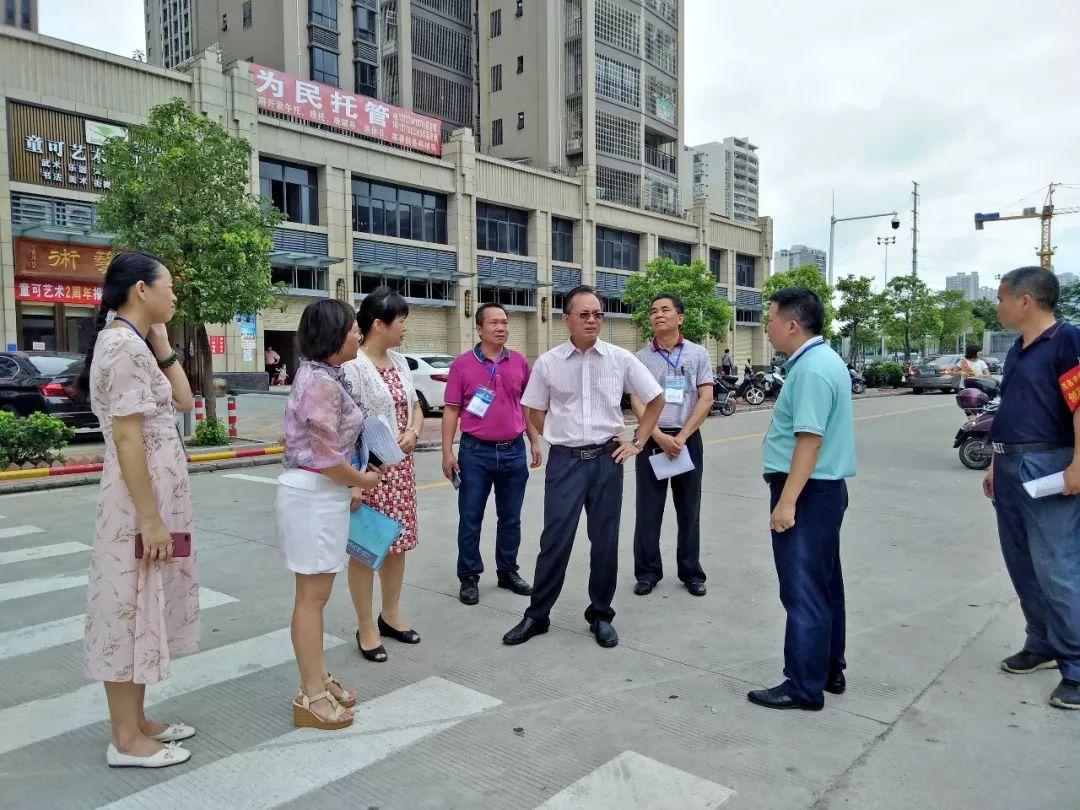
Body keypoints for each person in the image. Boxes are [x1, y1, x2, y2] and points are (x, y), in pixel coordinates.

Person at [80, 252, 198, 768]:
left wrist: (164, 343)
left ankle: (139, 720)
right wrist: (150, 519)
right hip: (139, 503)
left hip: (157, 499)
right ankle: (125, 739)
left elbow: (186, 402)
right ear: (140, 290)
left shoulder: (137, 343)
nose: (174, 296)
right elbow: (127, 436)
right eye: (167, 287)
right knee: (128, 605)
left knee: (146, 601)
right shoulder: (123, 347)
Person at [502, 285, 664, 649]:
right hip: (565, 464)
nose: (593, 320)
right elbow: (534, 410)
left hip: (608, 460)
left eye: (598, 314)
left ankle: (601, 614)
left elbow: (655, 399)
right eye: (584, 314)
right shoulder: (548, 362)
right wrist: (559, 437)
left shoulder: (620, 359)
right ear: (567, 320)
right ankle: (537, 615)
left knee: (605, 543)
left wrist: (637, 441)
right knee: (554, 541)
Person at [277, 299, 382, 731]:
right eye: (353, 328)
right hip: (313, 495)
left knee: (315, 596)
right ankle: (311, 695)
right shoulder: (319, 382)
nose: (359, 335)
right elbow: (325, 458)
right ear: (333, 335)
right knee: (311, 598)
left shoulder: (324, 375)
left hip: (322, 495)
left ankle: (318, 678)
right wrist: (362, 479)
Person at [749, 286, 855, 711]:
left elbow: (809, 441)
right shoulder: (824, 361)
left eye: (771, 319)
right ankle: (828, 667)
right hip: (823, 491)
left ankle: (803, 685)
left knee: (803, 589)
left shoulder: (810, 370)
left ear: (792, 324)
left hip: (808, 492)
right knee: (826, 584)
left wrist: (787, 501)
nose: (768, 328)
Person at [984, 267, 1080, 711]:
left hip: (1048, 463)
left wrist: (1079, 464)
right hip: (1009, 462)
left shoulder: (1066, 341)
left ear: (1026, 301)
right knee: (1021, 561)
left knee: (1056, 565)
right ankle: (1040, 642)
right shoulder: (1017, 352)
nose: (997, 306)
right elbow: (1012, 407)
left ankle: (1076, 666)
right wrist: (993, 461)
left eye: (1002, 297)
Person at [343, 287, 425, 662]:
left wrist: (413, 431)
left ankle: (390, 613)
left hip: (401, 471)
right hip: (369, 473)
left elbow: (416, 407)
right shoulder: (353, 366)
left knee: (397, 547)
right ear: (379, 324)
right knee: (366, 550)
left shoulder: (400, 361)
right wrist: (352, 481)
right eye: (401, 320)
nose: (405, 327)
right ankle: (366, 626)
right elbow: (344, 427)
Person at [442, 303, 543, 605]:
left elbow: (527, 406)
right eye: (494, 323)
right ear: (479, 328)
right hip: (475, 453)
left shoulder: (520, 362)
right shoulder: (462, 365)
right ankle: (469, 576)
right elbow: (451, 410)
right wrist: (448, 451)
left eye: (504, 322)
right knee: (470, 517)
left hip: (513, 451)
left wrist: (534, 441)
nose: (501, 328)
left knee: (510, 518)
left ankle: (507, 571)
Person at [631, 294, 714, 597]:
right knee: (648, 510)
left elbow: (706, 398)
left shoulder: (698, 354)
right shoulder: (640, 358)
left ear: (680, 318)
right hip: (654, 440)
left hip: (687, 439)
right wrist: (659, 437)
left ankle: (691, 571)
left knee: (689, 509)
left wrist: (681, 437)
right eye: (653, 311)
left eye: (665, 310)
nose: (658, 315)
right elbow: (637, 400)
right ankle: (647, 572)